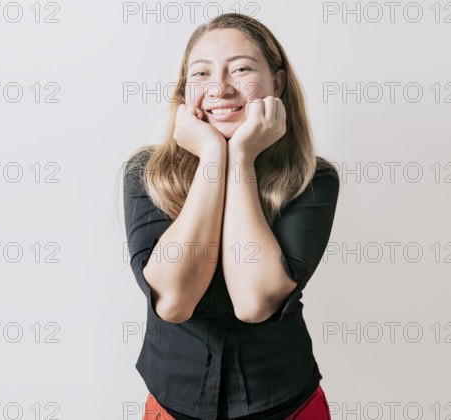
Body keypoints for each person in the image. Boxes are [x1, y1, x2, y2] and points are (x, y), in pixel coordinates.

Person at [121, 13, 339, 420]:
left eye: (240, 68)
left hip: (285, 404)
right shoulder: (146, 174)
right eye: (200, 73)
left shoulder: (314, 179)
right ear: (185, 91)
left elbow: (254, 303)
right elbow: (173, 302)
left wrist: (240, 158)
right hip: (172, 405)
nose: (219, 87)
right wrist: (211, 158)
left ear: (277, 82)